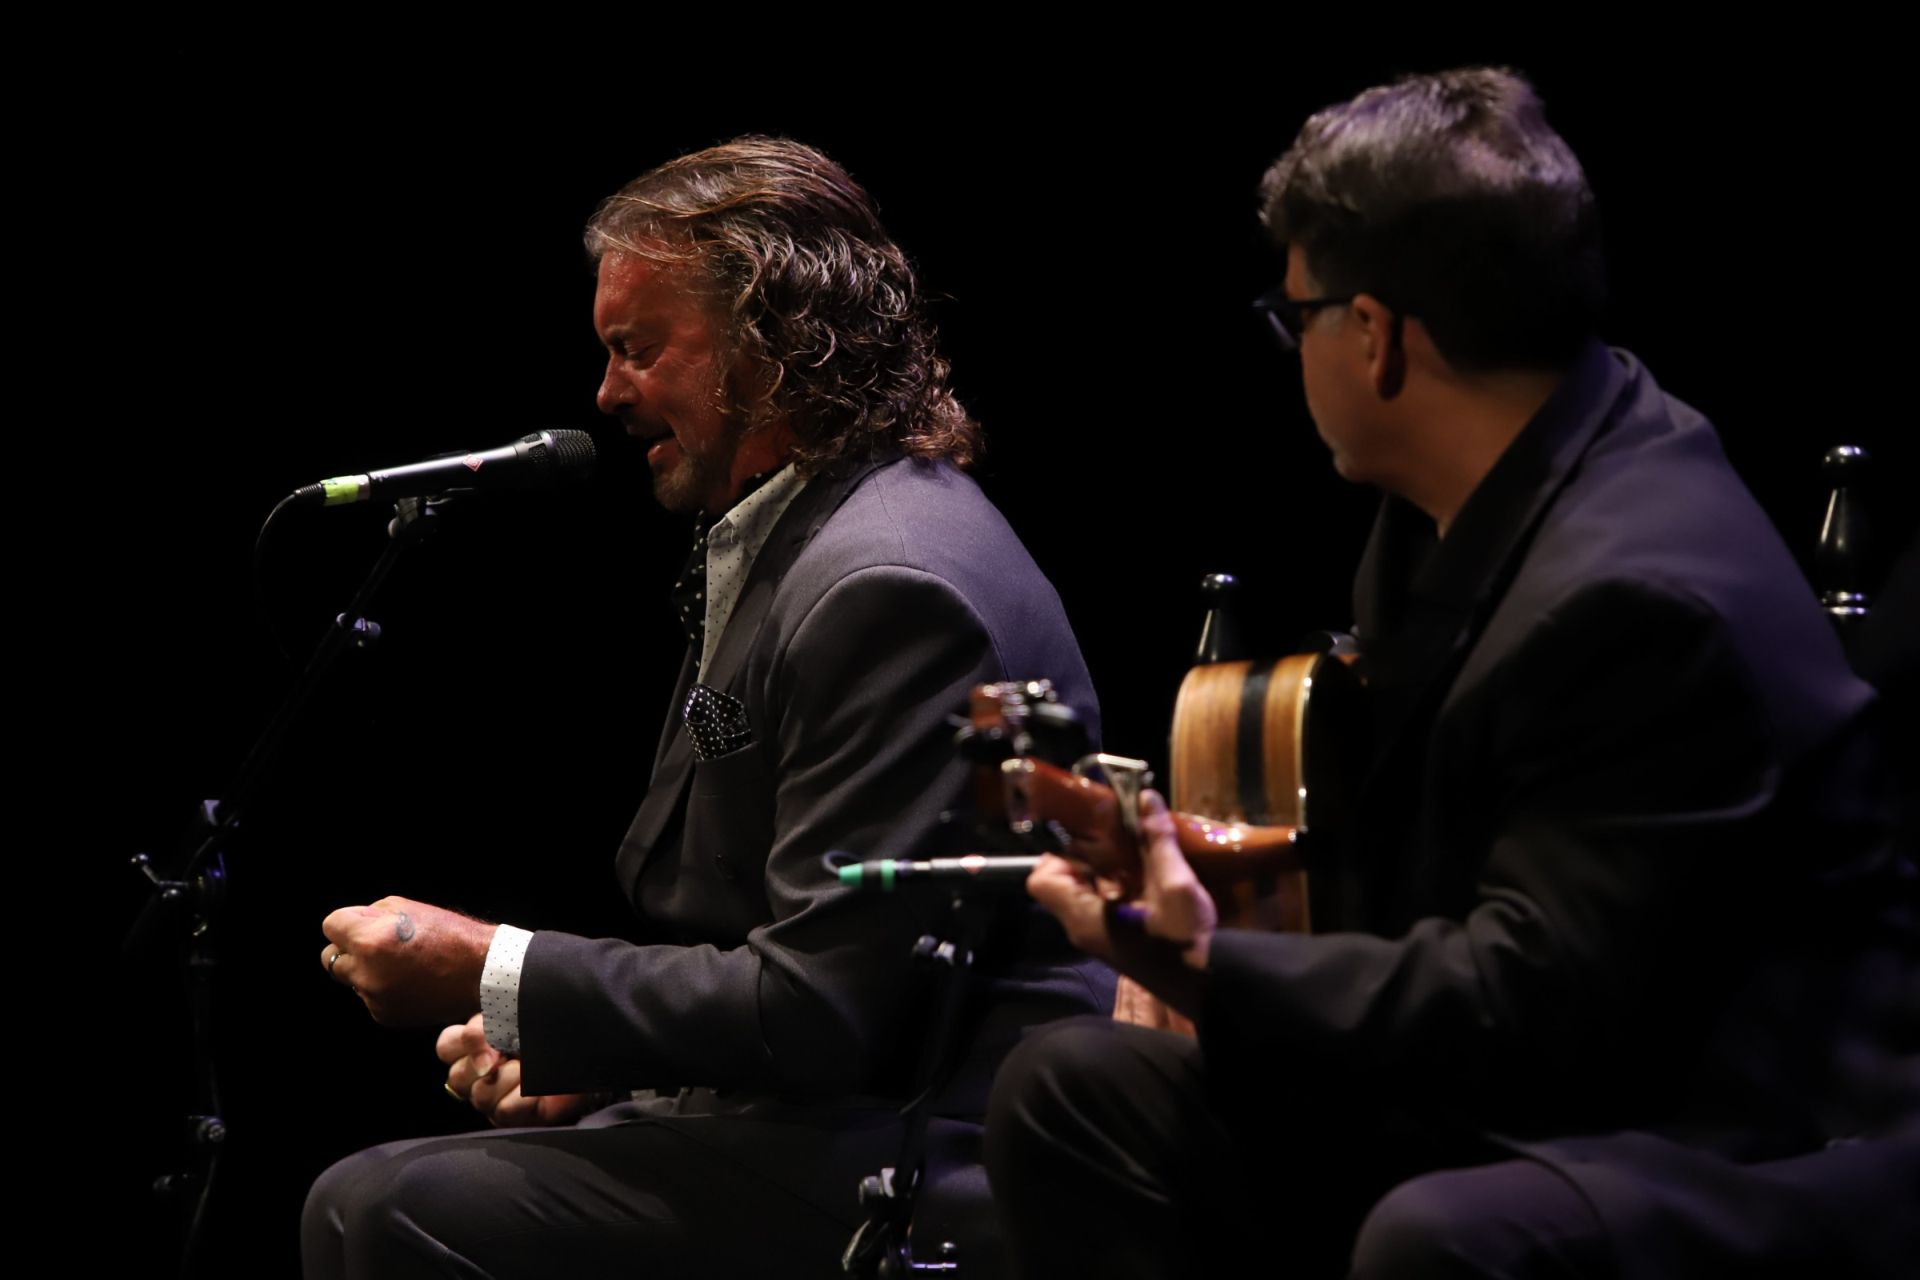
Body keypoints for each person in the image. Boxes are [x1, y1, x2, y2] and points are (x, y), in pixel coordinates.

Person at [985, 68, 1917, 1278]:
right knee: (1075, 1084)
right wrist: (1199, 880)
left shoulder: (1636, 591)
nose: (1293, 347)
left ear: (1373, 336)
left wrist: (1202, 963)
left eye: (1296, 313)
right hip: (1561, 1061)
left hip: (1735, 1129)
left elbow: (1536, 1004)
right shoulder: (1480, 489)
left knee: (1438, 1235)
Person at [302, 137, 1110, 1278]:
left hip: (937, 1135)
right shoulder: (814, 530)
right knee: (370, 1197)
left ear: (770, 344)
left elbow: (836, 1006)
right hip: (831, 1099)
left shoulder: (890, 582)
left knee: (389, 1204)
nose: (607, 393)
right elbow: (796, 946)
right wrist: (602, 1059)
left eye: (636, 349)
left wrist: (497, 964)